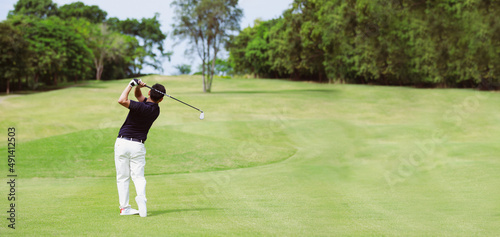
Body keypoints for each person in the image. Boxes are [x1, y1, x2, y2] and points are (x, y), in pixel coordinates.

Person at [114, 79, 165, 217]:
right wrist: (138, 87)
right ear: (161, 99)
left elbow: (121, 100)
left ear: (149, 92)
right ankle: (141, 197)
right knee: (138, 176)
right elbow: (139, 97)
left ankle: (124, 208)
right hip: (137, 145)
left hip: (122, 143)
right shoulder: (155, 110)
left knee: (123, 177)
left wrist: (131, 84)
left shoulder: (139, 107)